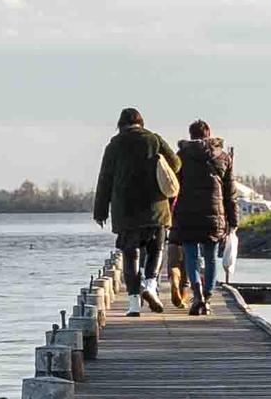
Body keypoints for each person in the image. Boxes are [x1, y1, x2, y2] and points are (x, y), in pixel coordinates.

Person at [91, 107, 180, 310]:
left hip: (126, 211)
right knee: (156, 249)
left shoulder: (114, 146)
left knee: (130, 255)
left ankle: (133, 304)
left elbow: (105, 179)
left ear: (120, 125)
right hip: (155, 207)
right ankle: (150, 284)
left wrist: (100, 211)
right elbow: (176, 164)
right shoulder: (154, 140)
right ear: (141, 122)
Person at [171, 117, 237, 315]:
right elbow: (230, 193)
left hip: (187, 214)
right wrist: (233, 222)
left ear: (190, 135)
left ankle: (197, 293)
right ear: (209, 134)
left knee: (191, 256)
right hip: (214, 215)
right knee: (211, 257)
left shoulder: (181, 156)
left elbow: (173, 187)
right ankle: (207, 297)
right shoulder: (223, 157)